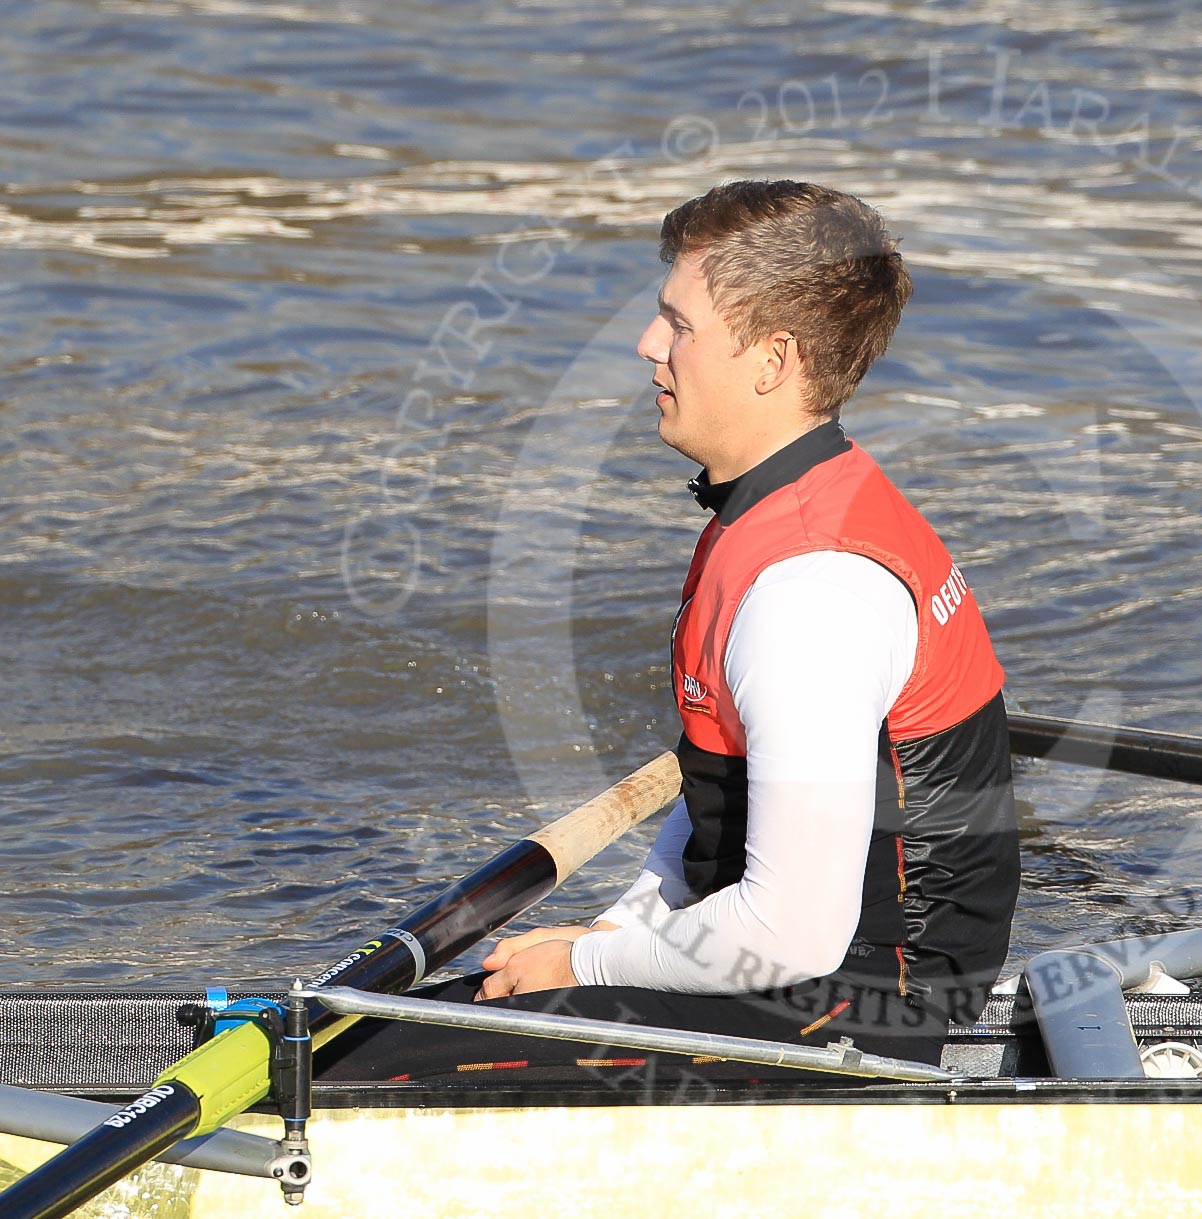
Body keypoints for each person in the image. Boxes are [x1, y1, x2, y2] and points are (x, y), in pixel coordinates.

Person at [321, 180, 1020, 1084]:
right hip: (801, 987)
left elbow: (790, 930)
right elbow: (714, 790)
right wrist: (622, 931)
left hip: (852, 1024)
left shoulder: (811, 591)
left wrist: (580, 967)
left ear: (773, 361)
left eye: (678, 324)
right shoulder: (790, 509)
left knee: (341, 1067)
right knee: (371, 1025)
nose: (648, 345)